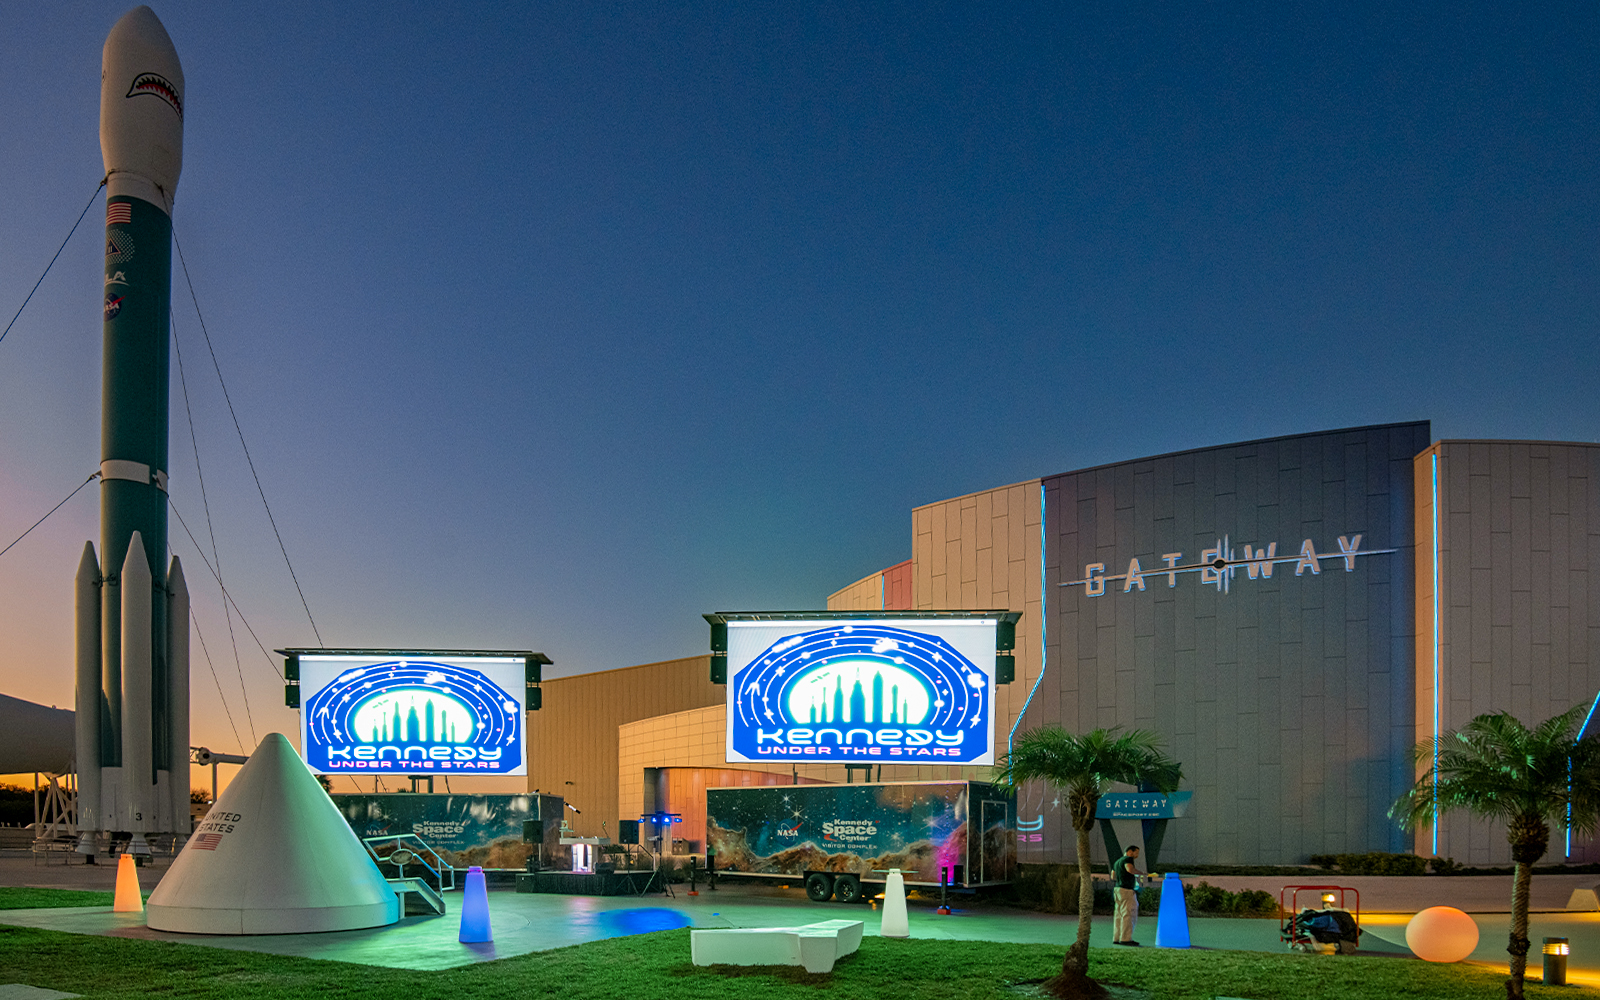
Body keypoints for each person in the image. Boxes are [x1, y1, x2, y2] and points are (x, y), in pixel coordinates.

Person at [1111, 845, 1145, 945]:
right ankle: (1126, 939)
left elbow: (1113, 876)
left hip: (1117, 889)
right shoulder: (1128, 859)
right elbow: (1129, 869)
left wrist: (1121, 879)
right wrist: (1141, 873)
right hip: (1126, 890)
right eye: (1136, 853)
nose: (1137, 856)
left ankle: (1116, 938)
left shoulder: (1117, 862)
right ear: (1130, 851)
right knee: (1128, 913)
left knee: (1118, 914)